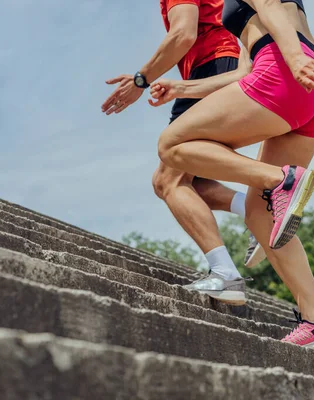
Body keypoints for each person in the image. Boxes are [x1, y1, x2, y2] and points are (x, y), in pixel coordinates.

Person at [148, 0, 314, 351]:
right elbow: (244, 69)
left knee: (172, 144)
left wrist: (293, 58)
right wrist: (183, 89)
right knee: (259, 213)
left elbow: (269, 5)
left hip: (284, 70)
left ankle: (278, 180)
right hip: (313, 81)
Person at [100, 0, 267, 305]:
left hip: (212, 66)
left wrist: (141, 80)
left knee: (167, 180)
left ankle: (225, 272)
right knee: (190, 183)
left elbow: (183, 34)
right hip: (223, 68)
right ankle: (255, 209)